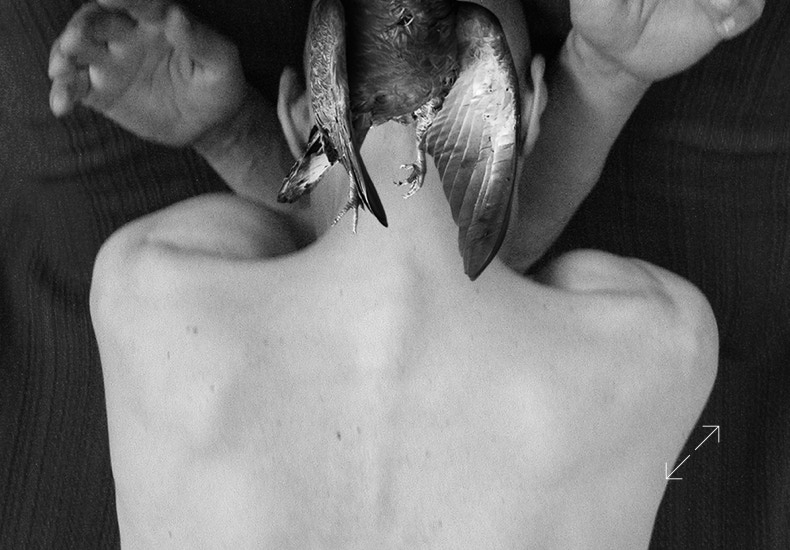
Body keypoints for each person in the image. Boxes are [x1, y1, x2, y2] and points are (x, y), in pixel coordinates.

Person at [47, 0, 756, 546]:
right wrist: (605, 79)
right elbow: (490, 267)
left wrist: (233, 134)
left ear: (299, 122)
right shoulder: (653, 341)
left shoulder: (156, 290)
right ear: (534, 108)